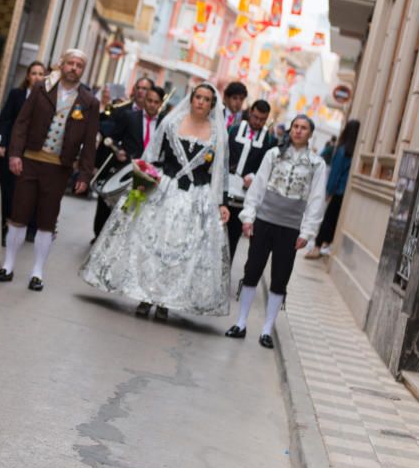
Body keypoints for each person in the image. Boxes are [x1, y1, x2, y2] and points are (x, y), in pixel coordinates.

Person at [81, 83, 231, 321]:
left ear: (212, 105)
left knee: (182, 249)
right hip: (166, 188)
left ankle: (165, 301)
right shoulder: (171, 122)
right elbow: (151, 156)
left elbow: (219, 172)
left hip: (196, 196)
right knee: (151, 243)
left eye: (206, 99)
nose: (201, 102)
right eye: (198, 97)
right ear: (191, 99)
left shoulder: (217, 133)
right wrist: (140, 184)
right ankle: (145, 297)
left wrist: (220, 202)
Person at [0, 49, 100, 291]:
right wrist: (15, 154)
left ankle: (37, 272)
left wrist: (85, 174)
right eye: (70, 63)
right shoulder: (41, 88)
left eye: (79, 65)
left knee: (47, 220)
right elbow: (22, 122)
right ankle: (9, 265)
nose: (74, 68)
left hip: (59, 168)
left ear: (82, 70)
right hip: (30, 160)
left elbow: (89, 140)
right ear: (61, 65)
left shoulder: (89, 101)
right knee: (18, 214)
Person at [225, 115, 326, 349]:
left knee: (280, 277)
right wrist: (248, 216)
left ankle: (267, 329)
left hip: (290, 228)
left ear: (310, 134)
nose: (299, 131)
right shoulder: (273, 154)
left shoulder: (316, 164)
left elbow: (316, 199)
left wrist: (308, 231)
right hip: (264, 221)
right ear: (290, 130)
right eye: (296, 127)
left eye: (304, 128)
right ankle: (240, 323)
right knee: (252, 270)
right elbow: (259, 185)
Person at [92, 78, 162, 239]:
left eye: (155, 101)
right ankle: (99, 236)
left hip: (147, 173)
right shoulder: (128, 115)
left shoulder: (163, 122)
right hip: (124, 168)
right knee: (109, 206)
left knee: (132, 210)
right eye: (140, 88)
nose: (151, 103)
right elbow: (111, 137)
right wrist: (117, 151)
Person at [0, 61, 45, 244]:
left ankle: (19, 226)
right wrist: (2, 142)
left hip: (31, 152)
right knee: (7, 188)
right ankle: (2, 225)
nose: (37, 77)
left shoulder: (47, 99)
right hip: (10, 148)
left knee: (23, 191)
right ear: (28, 76)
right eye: (34, 73)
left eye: (41, 73)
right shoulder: (17, 94)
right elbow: (6, 119)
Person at [225, 100, 277, 262]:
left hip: (244, 198)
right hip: (224, 192)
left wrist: (254, 177)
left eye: (262, 119)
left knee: (232, 240)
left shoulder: (270, 141)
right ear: (250, 113)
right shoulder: (233, 130)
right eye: (255, 117)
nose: (258, 122)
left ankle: (223, 279)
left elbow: (270, 168)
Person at [307, 120, 360, 259]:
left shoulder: (342, 149)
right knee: (335, 220)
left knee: (328, 218)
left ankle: (318, 246)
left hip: (337, 191)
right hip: (345, 192)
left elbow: (335, 172)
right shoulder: (355, 151)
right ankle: (325, 245)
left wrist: (329, 191)